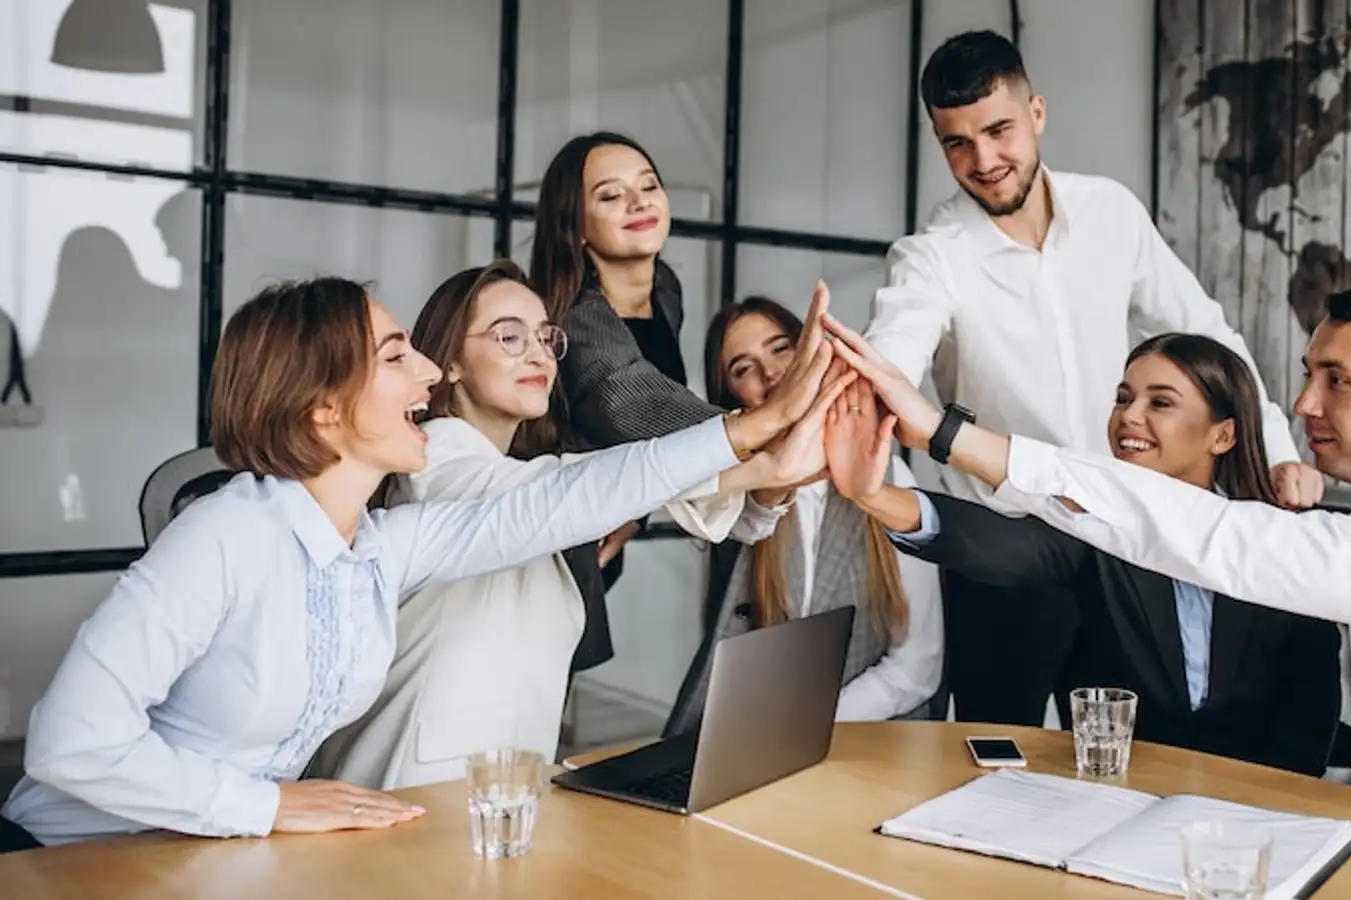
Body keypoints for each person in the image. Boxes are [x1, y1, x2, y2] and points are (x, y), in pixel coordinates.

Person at [0, 275, 839, 848]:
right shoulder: (221, 536)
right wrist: (268, 805)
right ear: (324, 405)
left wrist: (744, 435)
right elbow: (70, 744)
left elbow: (554, 504)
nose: (431, 373)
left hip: (210, 854)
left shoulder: (381, 548)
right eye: (398, 355)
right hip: (69, 859)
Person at [823, 281, 1351, 848]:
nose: (1302, 404)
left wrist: (942, 433)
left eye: (1339, 382)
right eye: (1309, 373)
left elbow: (1215, 537)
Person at [861, 30, 1322, 726]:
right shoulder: (931, 258)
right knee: (995, 756)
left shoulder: (1112, 212)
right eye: (957, 143)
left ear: (1037, 112)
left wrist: (1279, 451)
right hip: (1003, 551)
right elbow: (890, 354)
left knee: (1128, 755)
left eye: (999, 130)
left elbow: (1209, 334)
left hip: (1117, 545)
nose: (983, 161)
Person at [306, 265, 834, 790]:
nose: (537, 353)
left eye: (544, 336)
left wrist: (769, 474)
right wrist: (756, 433)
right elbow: (570, 491)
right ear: (449, 363)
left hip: (498, 802)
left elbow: (593, 492)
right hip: (403, 796)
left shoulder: (531, 477)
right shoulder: (437, 462)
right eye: (509, 336)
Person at [834, 333, 1341, 775]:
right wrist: (874, 495)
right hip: (1119, 800)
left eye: (1159, 403)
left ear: (1222, 434)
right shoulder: (1098, 526)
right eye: (1123, 399)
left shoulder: (1280, 544)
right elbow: (1004, 546)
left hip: (1258, 816)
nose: (1129, 418)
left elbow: (1306, 722)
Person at [528, 131, 829, 652]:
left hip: (606, 526)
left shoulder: (664, 290)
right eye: (610, 195)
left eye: (648, 185)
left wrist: (638, 509)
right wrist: (770, 421)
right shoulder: (577, 317)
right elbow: (631, 401)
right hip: (549, 540)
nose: (639, 202)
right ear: (575, 228)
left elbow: (636, 430)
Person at [665, 298, 943, 732]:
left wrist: (807, 722)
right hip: (758, 732)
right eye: (743, 369)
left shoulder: (890, 479)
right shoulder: (740, 500)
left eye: (780, 349)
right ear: (731, 399)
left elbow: (916, 668)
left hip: (873, 736)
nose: (771, 374)